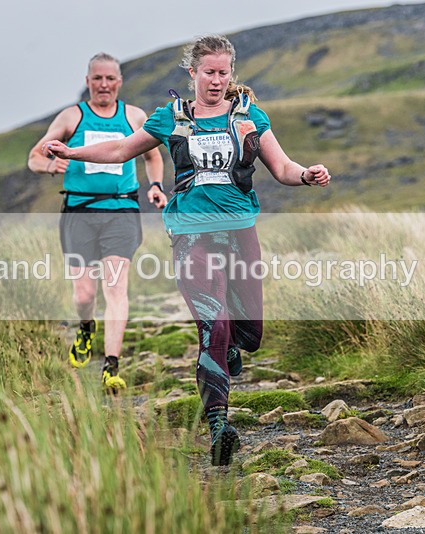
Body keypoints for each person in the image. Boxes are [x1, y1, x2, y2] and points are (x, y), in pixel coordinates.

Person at [43, 35, 330, 465]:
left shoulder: (250, 116)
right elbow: (122, 148)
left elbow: (283, 167)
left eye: (223, 72)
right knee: (213, 328)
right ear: (192, 72)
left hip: (239, 231)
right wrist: (73, 150)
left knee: (248, 334)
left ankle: (232, 345)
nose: (217, 80)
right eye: (209, 72)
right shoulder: (171, 118)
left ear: (231, 73)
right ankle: (219, 426)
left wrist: (306, 174)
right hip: (191, 234)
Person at [28, 52, 167, 393]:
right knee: (84, 293)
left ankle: (111, 366)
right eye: (97, 79)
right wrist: (49, 166)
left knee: (115, 287)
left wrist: (157, 186)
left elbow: (152, 154)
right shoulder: (71, 117)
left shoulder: (133, 116)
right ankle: (86, 326)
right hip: (79, 212)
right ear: (88, 81)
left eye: (110, 79)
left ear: (119, 82)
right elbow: (34, 156)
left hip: (121, 211)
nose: (104, 85)